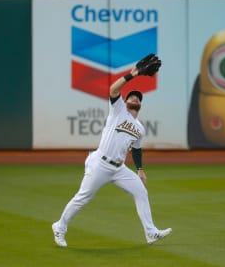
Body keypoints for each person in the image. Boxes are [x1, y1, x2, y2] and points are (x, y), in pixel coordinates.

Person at [52, 53, 171, 247]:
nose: (135, 98)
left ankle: (151, 233)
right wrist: (134, 74)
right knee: (83, 198)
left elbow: (137, 150)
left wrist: (140, 170)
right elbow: (113, 89)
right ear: (126, 101)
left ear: (140, 105)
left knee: (141, 192)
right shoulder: (118, 110)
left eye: (138, 97)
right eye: (132, 96)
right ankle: (60, 226)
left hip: (119, 168)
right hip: (100, 163)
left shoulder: (139, 128)